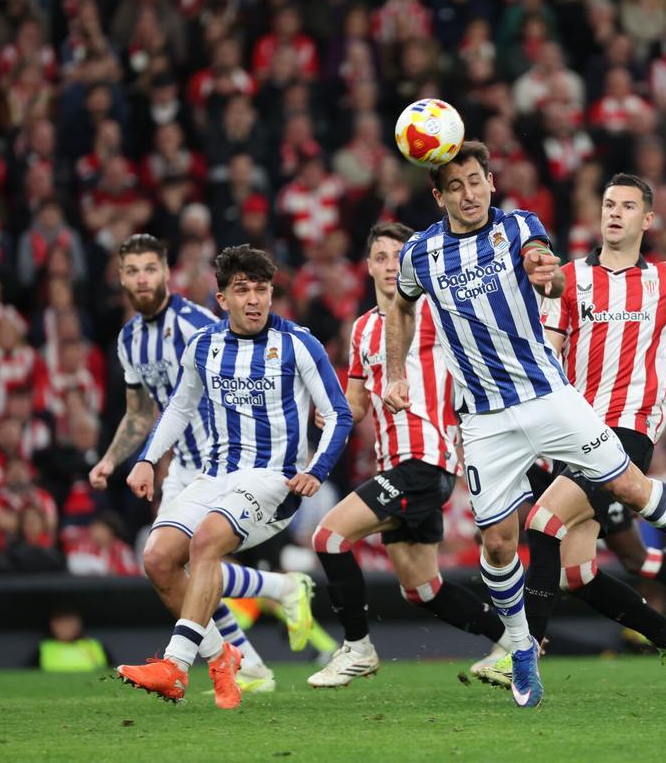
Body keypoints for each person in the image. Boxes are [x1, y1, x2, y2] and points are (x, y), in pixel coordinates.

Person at [384, 142, 666, 708]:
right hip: (485, 417)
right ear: (438, 196)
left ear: (491, 181)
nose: (468, 194)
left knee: (584, 510)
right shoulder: (424, 254)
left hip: (564, 404)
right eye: (454, 186)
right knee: (520, 549)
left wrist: (542, 271)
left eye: (476, 181)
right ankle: (530, 647)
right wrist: (393, 372)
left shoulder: (529, 232)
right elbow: (403, 304)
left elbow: (542, 262)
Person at [115, 245, 352, 709]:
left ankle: (174, 666)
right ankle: (220, 654)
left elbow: (338, 414)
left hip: (273, 478)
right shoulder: (204, 346)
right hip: (214, 476)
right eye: (242, 290)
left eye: (262, 289)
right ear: (221, 299)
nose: (255, 300)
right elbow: (179, 409)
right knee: (158, 559)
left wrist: (316, 471)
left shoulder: (299, 343)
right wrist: (146, 459)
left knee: (205, 542)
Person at [90, 234, 303, 697]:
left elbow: (235, 374)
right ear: (121, 277)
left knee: (197, 558)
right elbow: (141, 411)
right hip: (177, 466)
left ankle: (257, 620)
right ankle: (244, 657)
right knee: (166, 564)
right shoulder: (129, 339)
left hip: (219, 461)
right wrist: (113, 460)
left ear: (166, 272)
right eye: (133, 271)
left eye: (151, 268)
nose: (142, 278)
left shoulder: (196, 323)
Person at [306, 222, 512, 687]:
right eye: (380, 257)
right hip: (393, 465)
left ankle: (357, 648)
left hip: (427, 460)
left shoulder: (436, 314)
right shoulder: (361, 330)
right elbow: (356, 406)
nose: (388, 266)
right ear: (368, 265)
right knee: (422, 588)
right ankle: (517, 643)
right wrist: (331, 413)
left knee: (329, 537)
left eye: (398, 257)